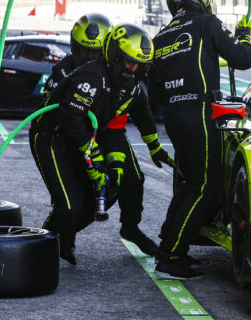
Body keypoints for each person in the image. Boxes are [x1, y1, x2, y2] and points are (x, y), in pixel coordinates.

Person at [30, 23, 163, 265]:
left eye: (139, 64)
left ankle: (67, 234)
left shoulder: (130, 86)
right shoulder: (90, 76)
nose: (134, 69)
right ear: (115, 56)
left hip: (84, 137)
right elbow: (71, 118)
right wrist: (94, 156)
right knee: (68, 207)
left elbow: (116, 127)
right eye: (130, 62)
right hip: (52, 139)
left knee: (113, 187)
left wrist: (118, 160)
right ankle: (33, 253)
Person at [152, 0, 251, 279]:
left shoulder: (160, 36)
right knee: (206, 185)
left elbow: (153, 95)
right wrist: (244, 34)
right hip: (198, 113)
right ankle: (170, 254)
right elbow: (243, 58)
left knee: (189, 183)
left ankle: (168, 244)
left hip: (173, 117)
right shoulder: (207, 22)